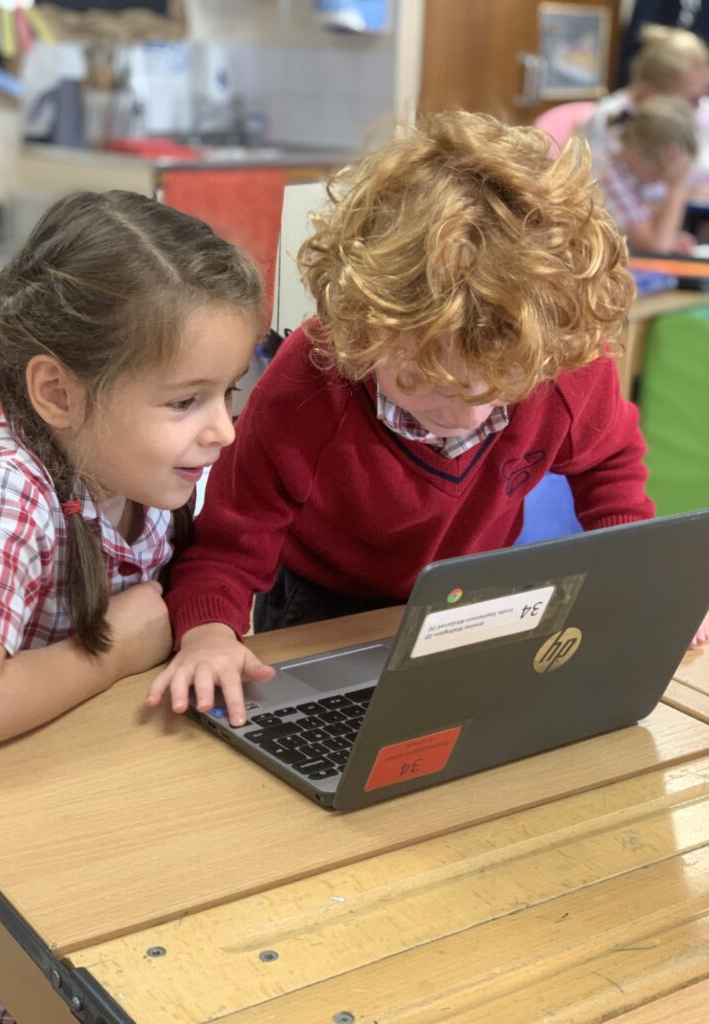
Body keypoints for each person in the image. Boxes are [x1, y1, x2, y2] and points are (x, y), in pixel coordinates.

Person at [146, 108, 680, 727]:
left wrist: (638, 579)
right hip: (327, 598)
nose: (468, 414)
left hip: (471, 590)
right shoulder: (307, 388)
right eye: (425, 383)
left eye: (500, 390)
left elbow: (610, 465)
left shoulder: (558, 359)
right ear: (363, 330)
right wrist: (209, 632)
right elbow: (229, 548)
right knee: (320, 748)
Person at [0, 190, 262, 1023]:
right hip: (24, 872)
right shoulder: (3, 483)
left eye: (229, 391)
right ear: (57, 391)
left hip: (112, 799)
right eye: (187, 400)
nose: (223, 430)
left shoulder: (145, 469)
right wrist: (120, 648)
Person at [581, 23, 709, 181]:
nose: (699, 105)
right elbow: (600, 194)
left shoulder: (702, 112)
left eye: (704, 92)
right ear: (651, 91)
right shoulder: (610, 121)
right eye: (690, 99)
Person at [598, 94, 699, 253]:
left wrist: (672, 238)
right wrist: (677, 188)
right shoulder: (609, 177)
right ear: (638, 155)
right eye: (662, 169)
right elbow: (657, 247)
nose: (665, 177)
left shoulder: (632, 171)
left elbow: (654, 233)